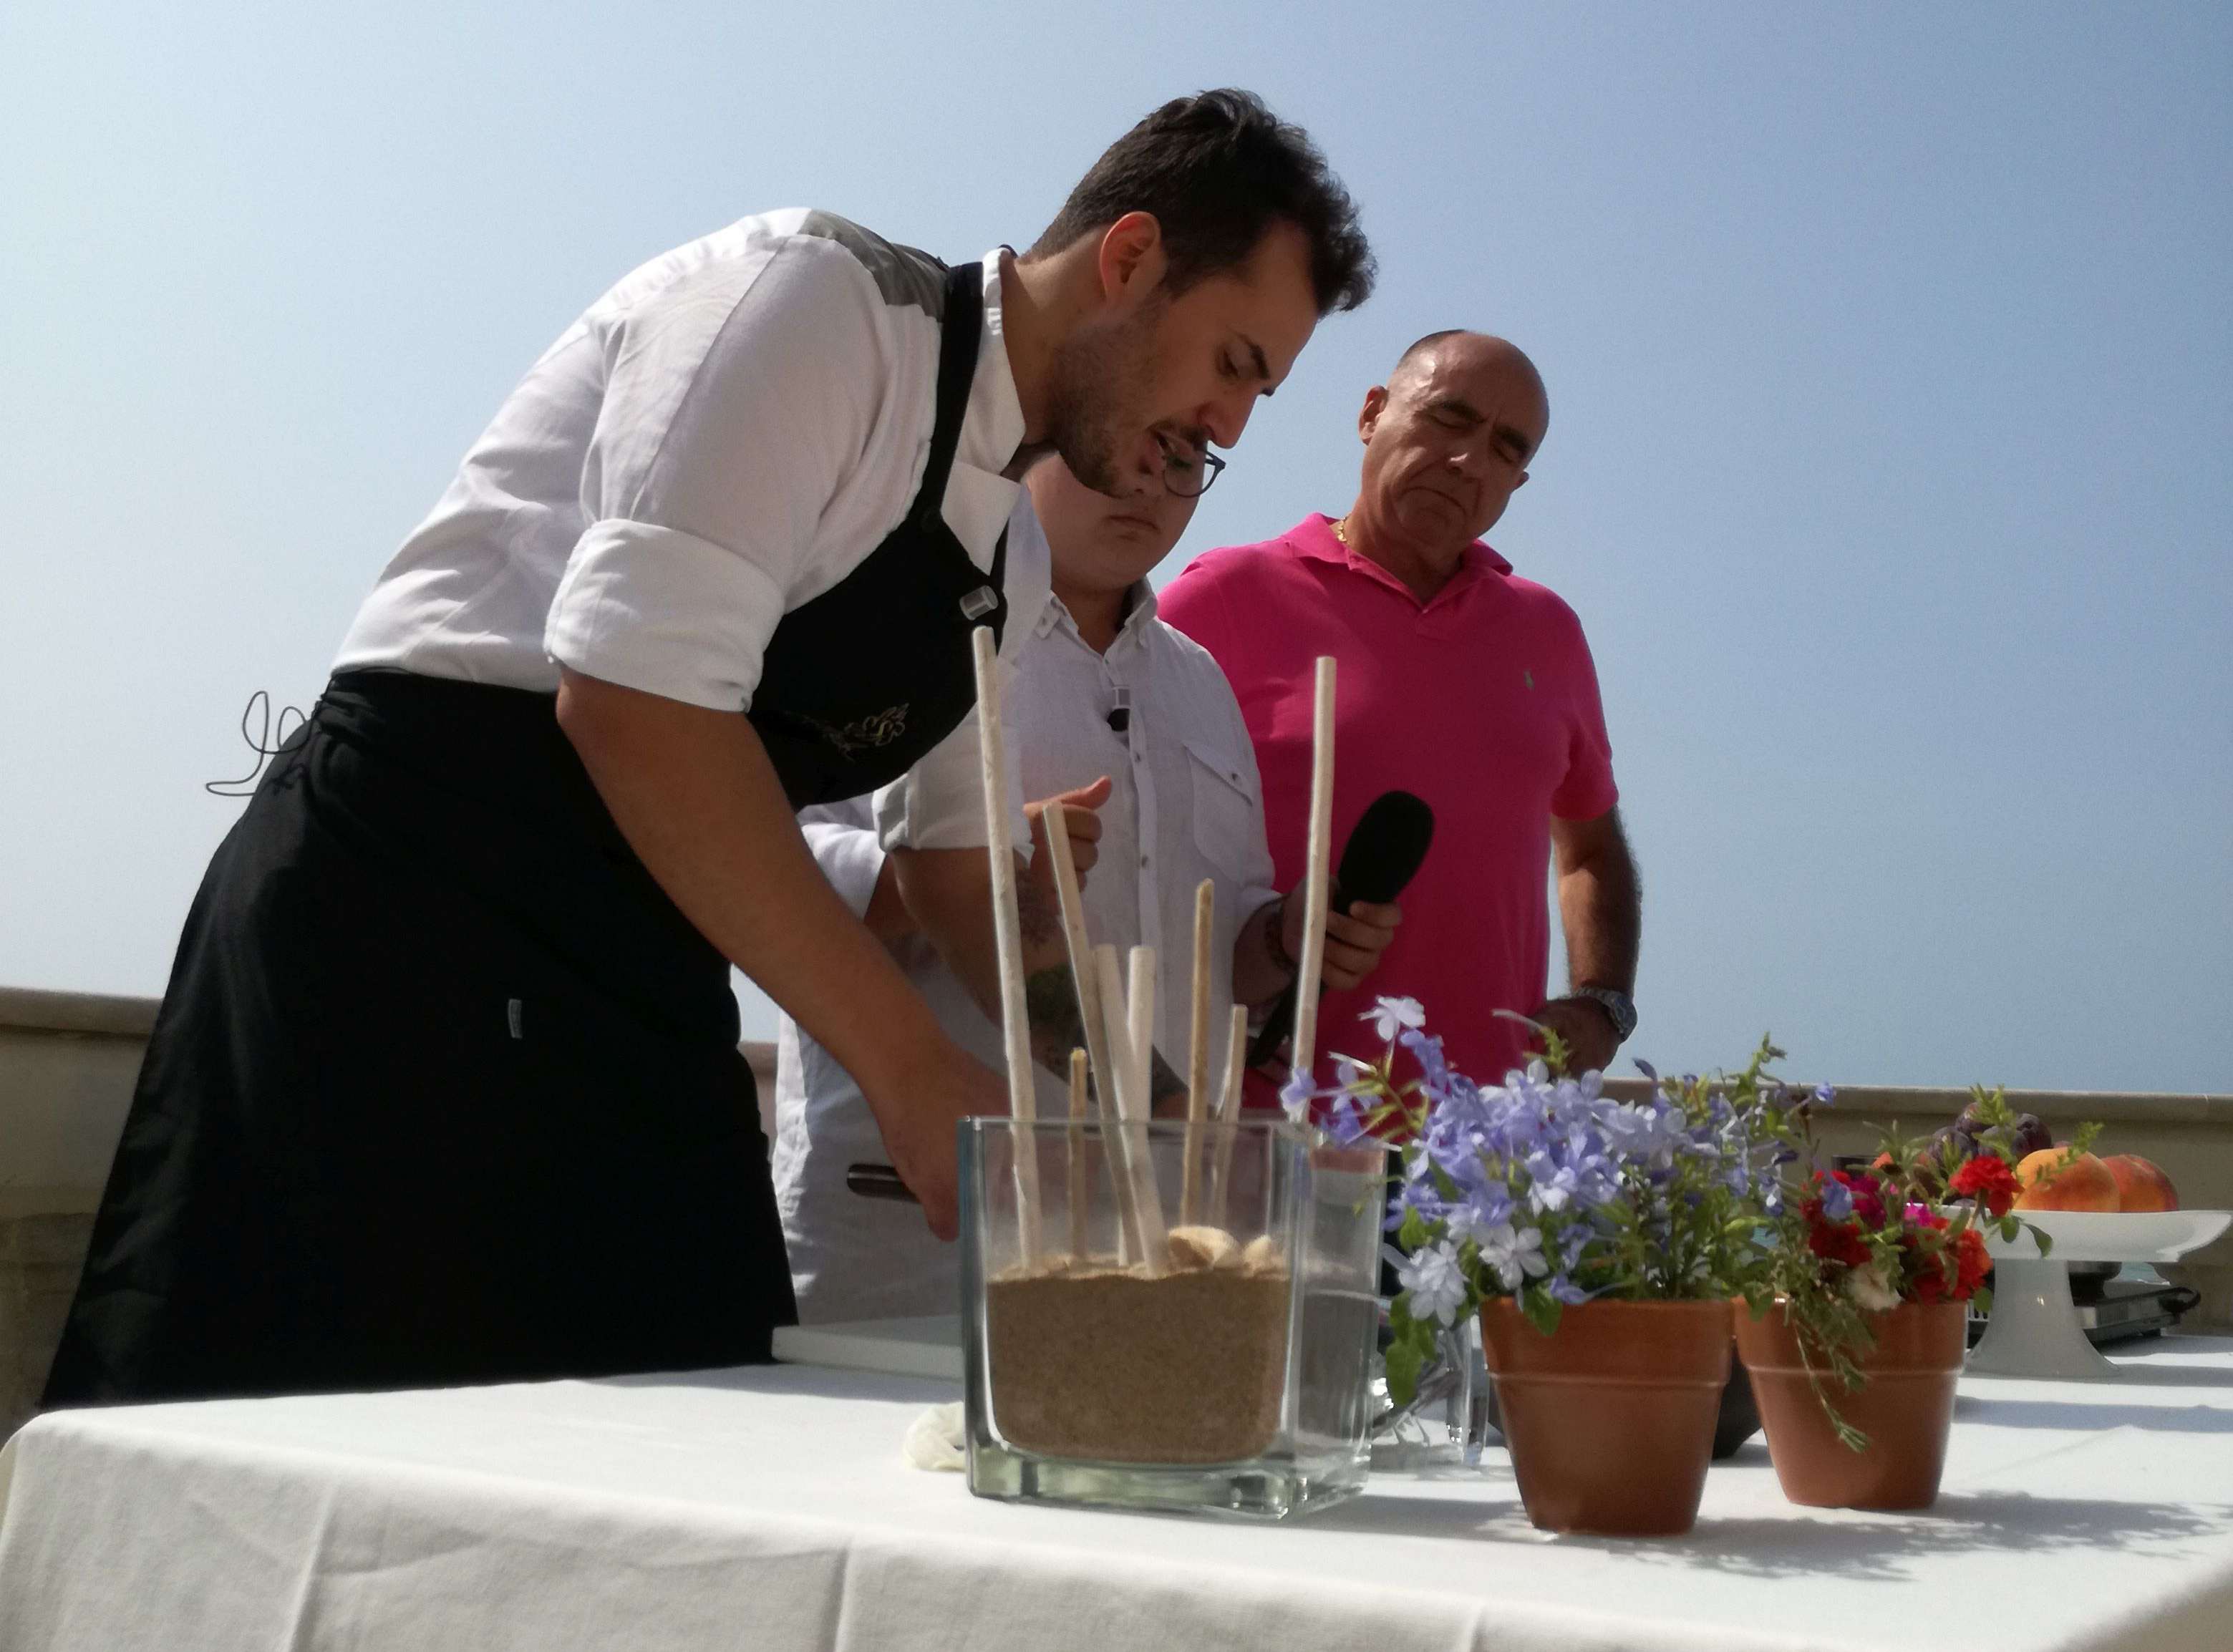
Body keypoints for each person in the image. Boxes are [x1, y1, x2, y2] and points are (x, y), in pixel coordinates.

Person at [44, 91, 1375, 1406]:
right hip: (407, 909)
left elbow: (961, 874)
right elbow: (637, 704)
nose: (1230, 425)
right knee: (294, 1437)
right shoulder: (818, 308)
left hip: (647, 945)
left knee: (678, 1419)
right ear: (1130, 259)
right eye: (1233, 364)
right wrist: (910, 1070)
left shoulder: (1006, 553)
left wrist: (1150, 1118)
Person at [773, 450, 1400, 1323]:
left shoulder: (1200, 682)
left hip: (1156, 1246)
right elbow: (781, 865)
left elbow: (1222, 963)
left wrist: (1284, 938)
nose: (1148, 484)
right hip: (926, 1239)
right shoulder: (895, 634)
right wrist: (968, 864)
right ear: (1038, 437)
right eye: (1126, 451)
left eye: (1185, 462)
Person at [1159, 331, 1639, 1097]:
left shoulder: (1547, 633)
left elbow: (1588, 848)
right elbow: (1128, 845)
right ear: (1371, 414)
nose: (1469, 461)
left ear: (1517, 481)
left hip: (1478, 1160)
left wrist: (1602, 1005)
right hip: (1262, 1137)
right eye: (1448, 419)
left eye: (1505, 449)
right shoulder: (1222, 597)